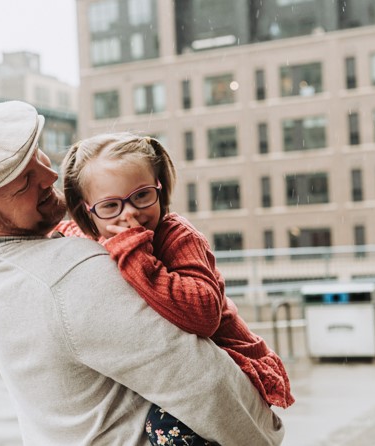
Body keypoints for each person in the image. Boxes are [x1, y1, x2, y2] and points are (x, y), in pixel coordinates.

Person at [0, 101, 284, 446]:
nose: (50, 176)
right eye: (24, 181)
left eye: (40, 157)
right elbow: (204, 386)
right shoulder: (71, 274)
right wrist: (267, 433)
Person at [58, 132, 294, 445]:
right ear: (87, 210)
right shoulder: (91, 235)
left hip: (223, 365)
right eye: (111, 205)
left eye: (141, 196)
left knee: (167, 426)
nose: (130, 214)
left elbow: (203, 316)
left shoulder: (179, 237)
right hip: (163, 371)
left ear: (160, 187)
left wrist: (134, 252)